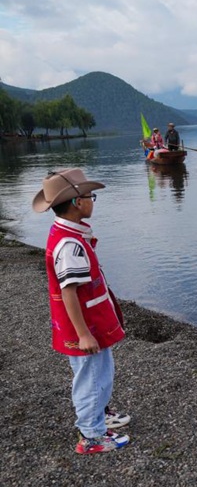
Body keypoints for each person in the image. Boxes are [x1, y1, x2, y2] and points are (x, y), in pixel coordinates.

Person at [32, 168, 131, 454]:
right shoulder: (70, 245)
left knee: (97, 374)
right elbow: (69, 292)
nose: (92, 202)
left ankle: (98, 416)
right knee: (92, 379)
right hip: (86, 328)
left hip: (88, 324)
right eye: (90, 197)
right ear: (77, 202)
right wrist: (84, 334)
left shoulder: (67, 233)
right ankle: (91, 437)